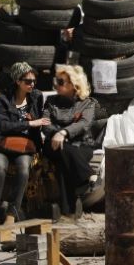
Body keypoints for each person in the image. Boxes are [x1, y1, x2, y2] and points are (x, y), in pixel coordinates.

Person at [0, 62, 50, 226]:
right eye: (28, 81)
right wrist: (29, 124)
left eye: (34, 81)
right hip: (2, 143)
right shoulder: (3, 98)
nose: (32, 84)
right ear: (17, 81)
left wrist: (36, 124)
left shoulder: (36, 96)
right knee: (0, 169)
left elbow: (39, 121)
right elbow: (2, 126)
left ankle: (11, 214)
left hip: (26, 145)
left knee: (23, 170)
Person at [42, 65, 98, 219]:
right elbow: (45, 123)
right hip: (53, 143)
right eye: (56, 81)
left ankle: (67, 210)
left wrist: (64, 132)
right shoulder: (51, 101)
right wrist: (57, 134)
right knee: (62, 149)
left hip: (81, 145)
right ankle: (87, 177)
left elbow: (84, 124)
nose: (56, 85)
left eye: (61, 81)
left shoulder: (88, 103)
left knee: (63, 162)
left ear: (74, 85)